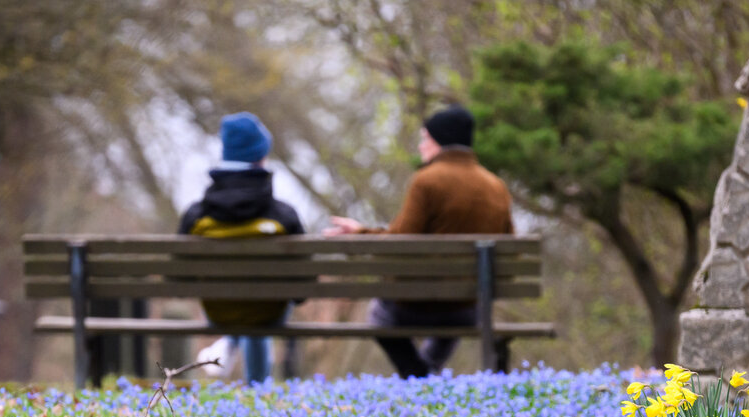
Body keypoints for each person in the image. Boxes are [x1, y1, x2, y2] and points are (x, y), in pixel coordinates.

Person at [325, 105, 514, 378]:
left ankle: (418, 375)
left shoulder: (427, 182)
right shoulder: (496, 186)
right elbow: (509, 250)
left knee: (379, 314)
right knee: (455, 299)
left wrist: (360, 233)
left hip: (417, 308)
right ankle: (426, 374)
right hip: (469, 309)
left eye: (425, 138)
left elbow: (399, 243)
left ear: (439, 141)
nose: (420, 145)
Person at [181, 112, 304, 384]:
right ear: (261, 156)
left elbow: (179, 278)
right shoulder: (283, 216)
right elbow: (302, 290)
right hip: (268, 313)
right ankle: (256, 390)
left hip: (218, 312)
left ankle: (227, 345)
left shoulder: (196, 216)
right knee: (259, 306)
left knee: (246, 306)